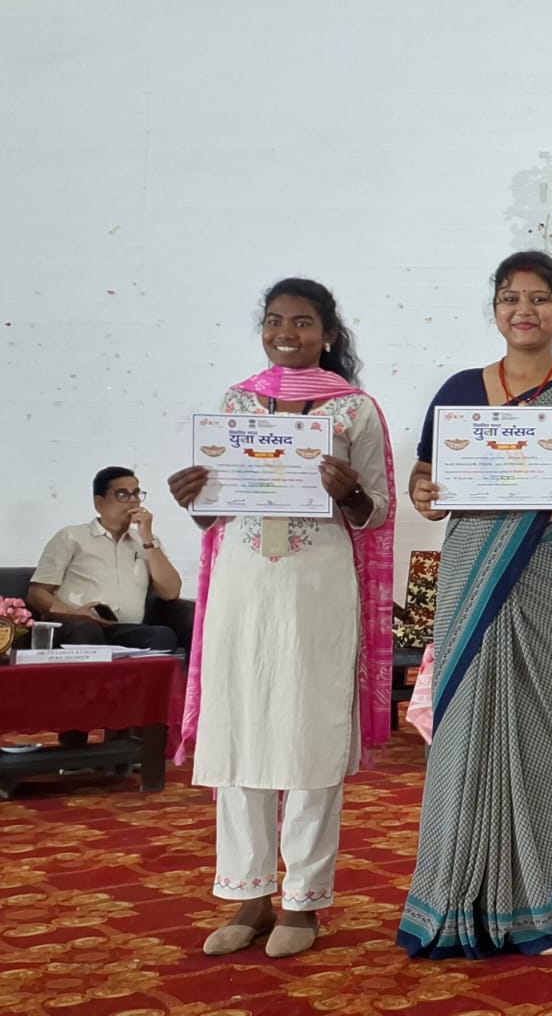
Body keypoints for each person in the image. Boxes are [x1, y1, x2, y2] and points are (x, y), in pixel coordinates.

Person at [398, 249, 552, 959]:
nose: (523, 310)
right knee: (465, 728)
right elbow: (427, 472)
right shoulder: (459, 389)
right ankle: (455, 895)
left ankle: (543, 905)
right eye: (510, 297)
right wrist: (423, 491)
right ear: (496, 309)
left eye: (538, 298)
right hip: (473, 570)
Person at [167, 278, 395, 960]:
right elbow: (216, 511)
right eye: (274, 321)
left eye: (301, 322)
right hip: (242, 584)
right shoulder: (237, 402)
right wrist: (193, 498)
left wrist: (348, 493)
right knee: (238, 732)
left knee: (309, 735)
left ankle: (304, 902)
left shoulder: (354, 409)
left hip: (315, 586)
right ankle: (249, 895)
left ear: (328, 334)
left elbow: (377, 513)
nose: (286, 333)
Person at [30, 466, 182, 652]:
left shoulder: (145, 541)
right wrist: (76, 614)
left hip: (122, 629)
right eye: (122, 494)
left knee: (162, 635)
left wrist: (148, 538)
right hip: (76, 624)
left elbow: (171, 592)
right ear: (99, 503)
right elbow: (37, 594)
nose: (133, 501)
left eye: (136, 494)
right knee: (87, 631)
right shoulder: (71, 537)